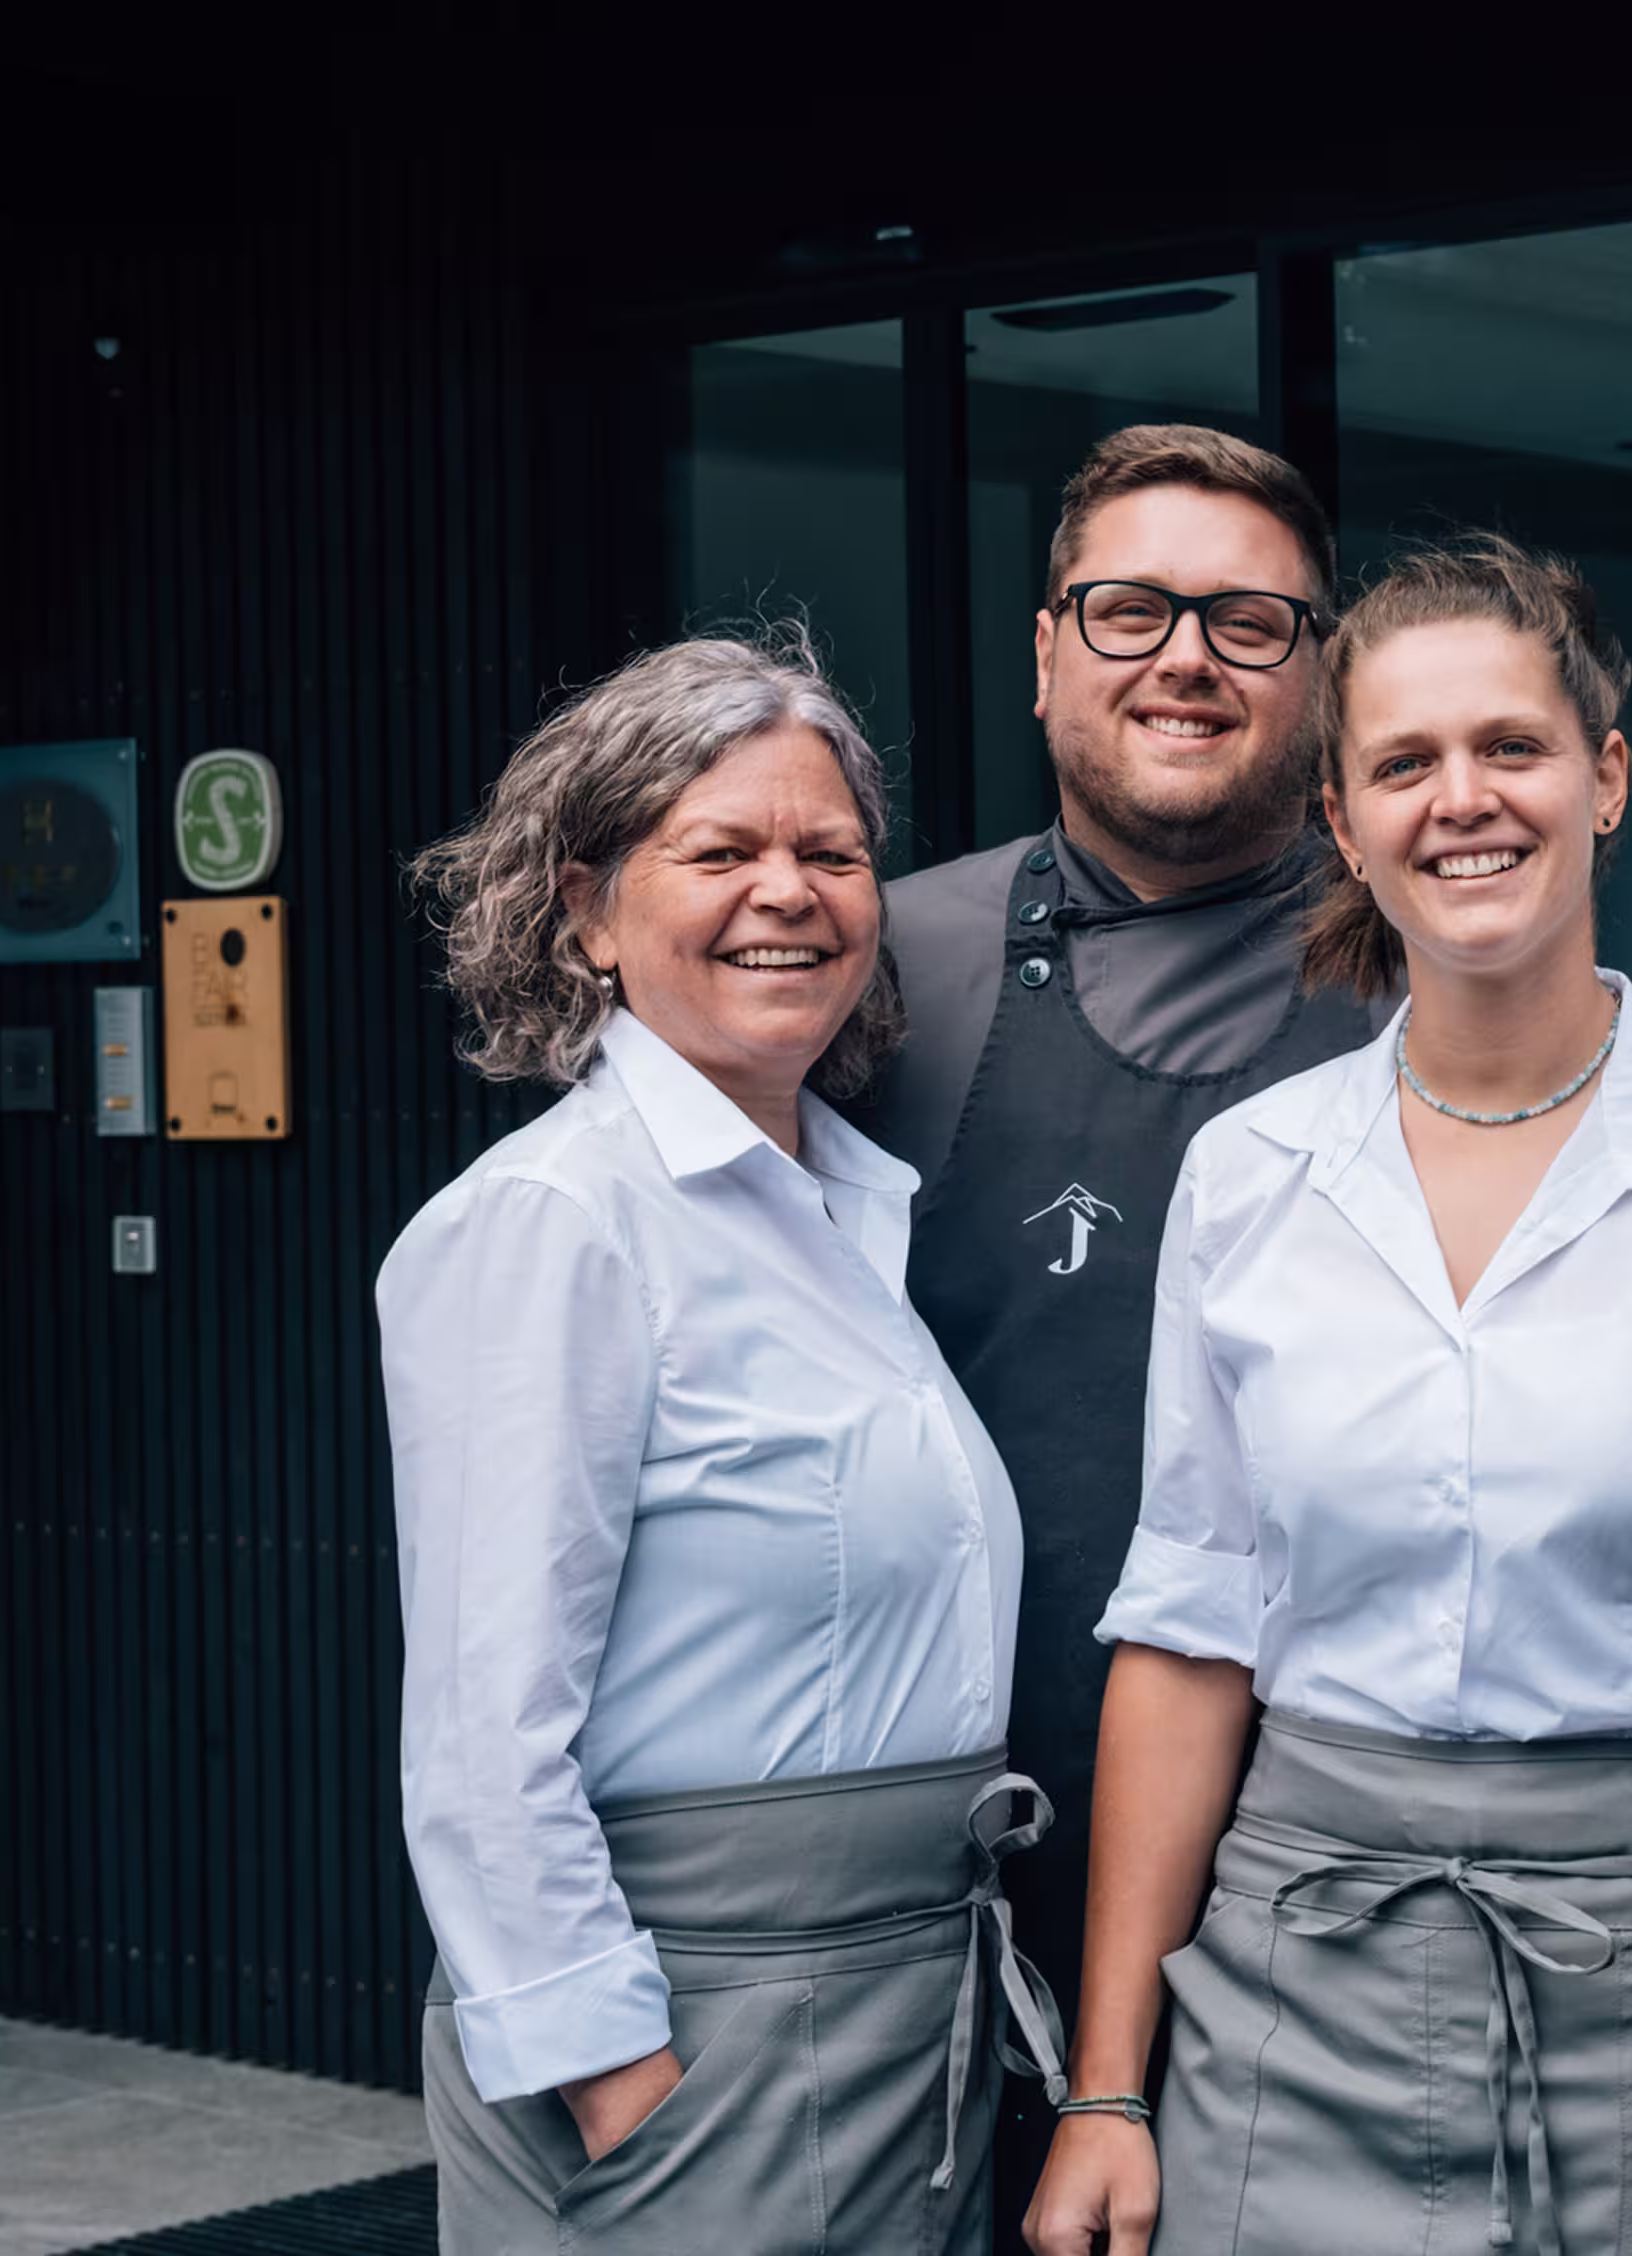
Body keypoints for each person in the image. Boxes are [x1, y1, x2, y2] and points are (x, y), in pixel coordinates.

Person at [1024, 537, 1632, 2256]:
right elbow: (1186, 1635)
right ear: (1344, 817)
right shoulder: (1248, 1173)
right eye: (1404, 763)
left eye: (1511, 748)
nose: (1463, 801)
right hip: (1291, 1983)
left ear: (1605, 777)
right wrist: (1107, 2087)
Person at [385, 633, 1058, 2255]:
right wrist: (625, 2078)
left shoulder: (846, 1205)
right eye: (722, 851)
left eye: (830, 852)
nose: (791, 890)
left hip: (903, 2011)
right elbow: (485, 1745)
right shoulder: (554, 1225)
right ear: (590, 909)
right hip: (699, 2037)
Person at [852, 431, 1383, 2226]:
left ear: (1322, 669)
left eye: (1249, 621)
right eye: (1131, 607)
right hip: (930, 1869)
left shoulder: (1442, 977)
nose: (1184, 657)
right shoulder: (875, 970)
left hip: (1320, 1884)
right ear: (1042, 652)